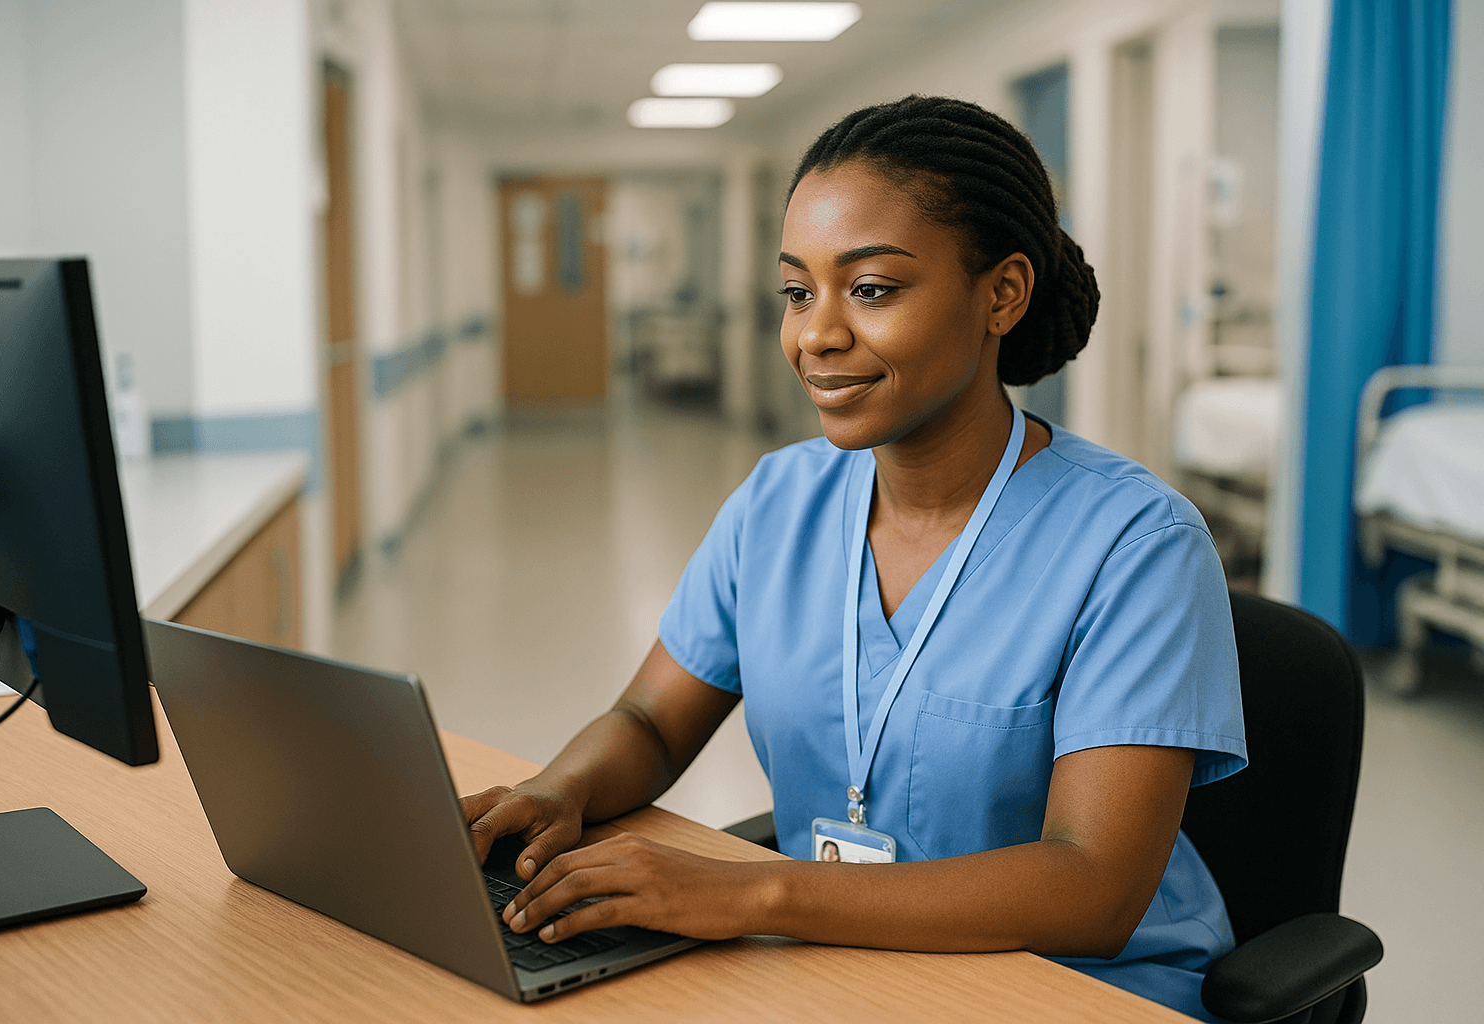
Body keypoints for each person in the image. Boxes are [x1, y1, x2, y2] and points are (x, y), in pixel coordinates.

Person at [462, 95, 1246, 1022]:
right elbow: (651, 718)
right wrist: (560, 790)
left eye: (871, 289)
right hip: (838, 972)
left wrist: (752, 894)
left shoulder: (1136, 546)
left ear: (1002, 293)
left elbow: (1094, 888)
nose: (816, 335)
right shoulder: (777, 504)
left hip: (1074, 992)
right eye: (798, 291)